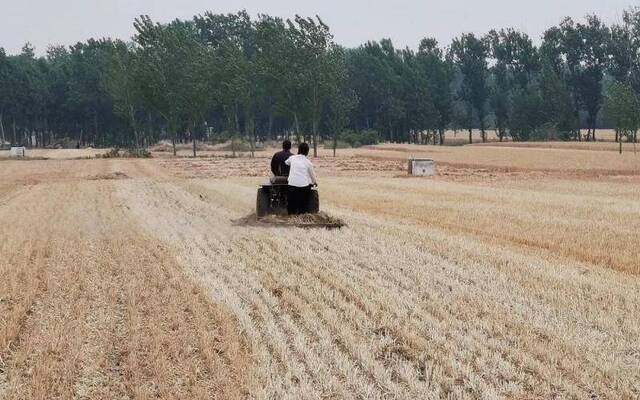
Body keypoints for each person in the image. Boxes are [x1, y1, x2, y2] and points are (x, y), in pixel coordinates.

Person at [285, 142, 317, 215]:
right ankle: (301, 215)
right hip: (303, 187)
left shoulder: (292, 158)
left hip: (292, 185)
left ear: (298, 150)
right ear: (307, 152)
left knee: (291, 203)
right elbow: (312, 175)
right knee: (303, 204)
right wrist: (315, 182)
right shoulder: (308, 162)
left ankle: (291, 216)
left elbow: (286, 162)